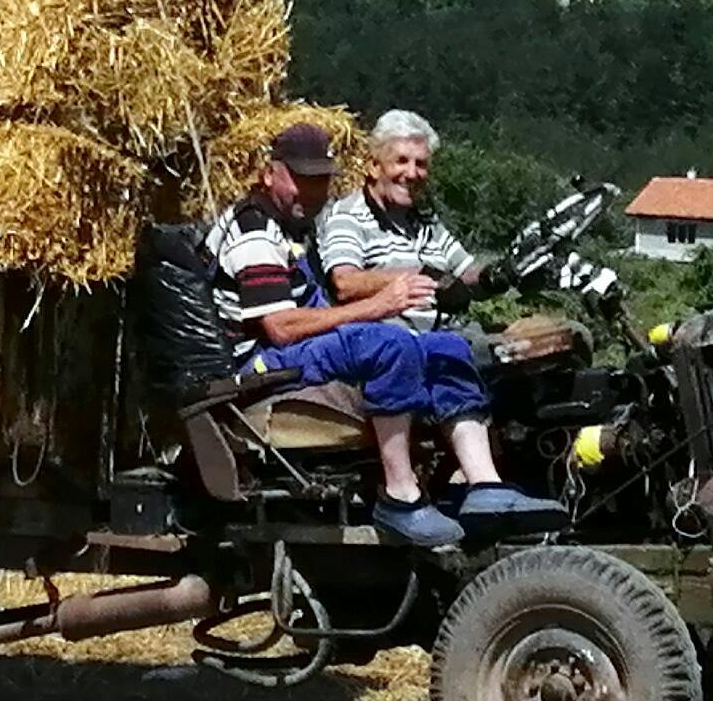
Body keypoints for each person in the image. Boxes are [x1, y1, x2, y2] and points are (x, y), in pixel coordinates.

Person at [209, 122, 558, 549]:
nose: (313, 192)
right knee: (389, 342)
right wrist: (380, 306)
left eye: (321, 181)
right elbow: (280, 328)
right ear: (269, 174)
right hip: (257, 368)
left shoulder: (294, 226)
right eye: (301, 180)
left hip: (293, 346)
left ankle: (484, 485)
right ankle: (400, 495)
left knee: (445, 346)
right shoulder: (254, 232)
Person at [316, 111, 483, 330]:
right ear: (374, 167)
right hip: (399, 341)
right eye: (401, 161)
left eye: (421, 164)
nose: (412, 174)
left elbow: (467, 272)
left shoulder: (426, 222)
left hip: (453, 330)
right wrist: (424, 276)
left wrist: (501, 274)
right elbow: (345, 283)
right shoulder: (349, 216)